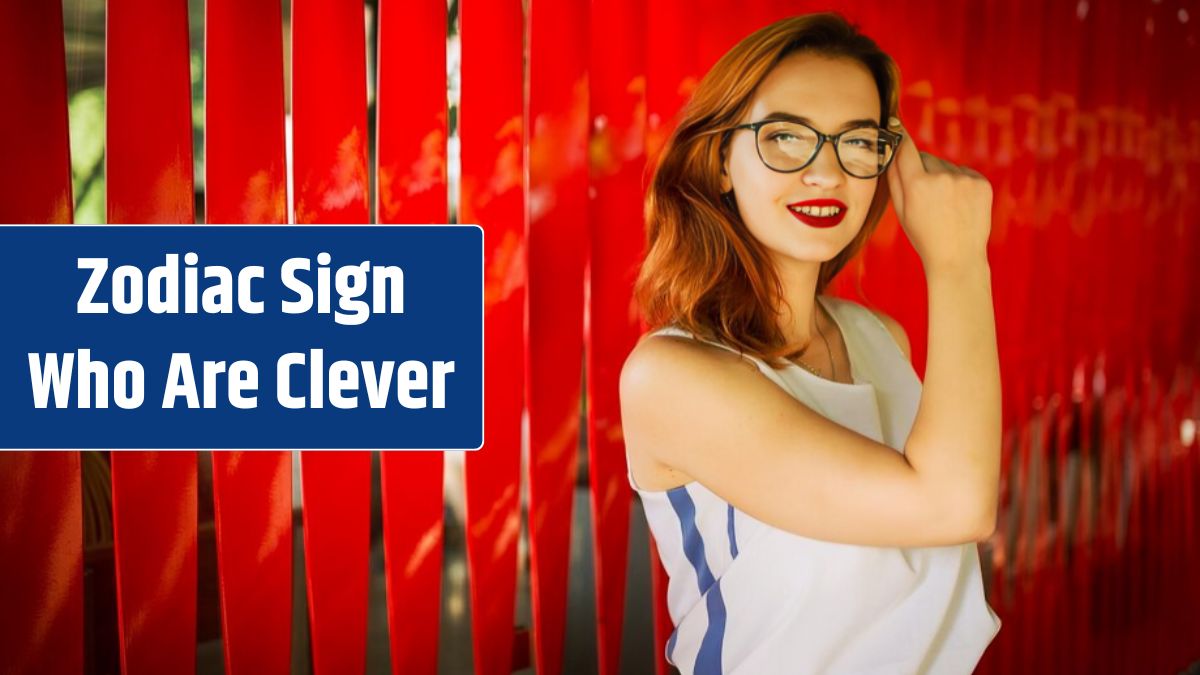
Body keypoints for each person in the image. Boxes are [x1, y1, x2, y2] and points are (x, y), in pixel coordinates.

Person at [619, 12, 1002, 675]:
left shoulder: (880, 338)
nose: (827, 172)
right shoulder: (671, 376)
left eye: (857, 143)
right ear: (722, 162)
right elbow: (954, 503)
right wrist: (960, 262)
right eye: (787, 137)